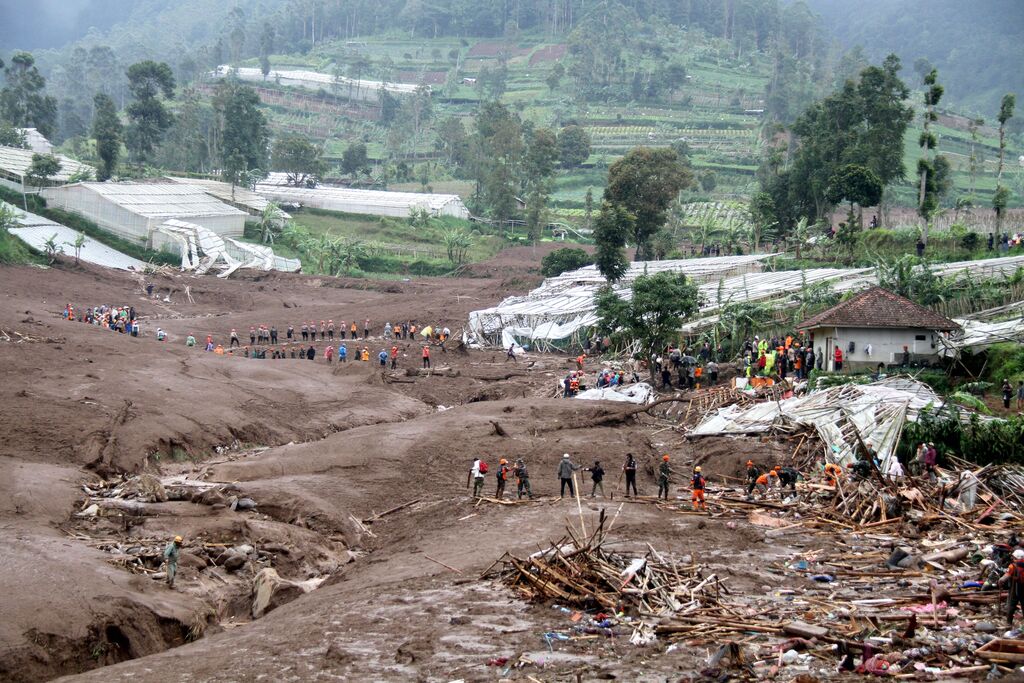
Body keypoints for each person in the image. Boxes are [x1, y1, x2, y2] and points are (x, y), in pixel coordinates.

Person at [998, 549, 1024, 628]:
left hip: (1015, 589)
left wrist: (1000, 581)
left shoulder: (1013, 566)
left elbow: (1005, 577)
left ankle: (1009, 622)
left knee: (1011, 605)